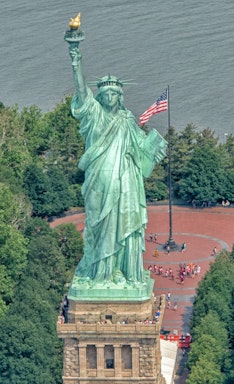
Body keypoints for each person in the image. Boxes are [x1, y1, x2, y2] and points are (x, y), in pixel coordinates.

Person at [68, 43, 166, 289]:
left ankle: (122, 270)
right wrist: (76, 63)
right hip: (99, 179)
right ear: (100, 97)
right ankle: (101, 271)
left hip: (125, 181)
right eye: (106, 94)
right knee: (99, 224)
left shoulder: (127, 119)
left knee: (124, 222)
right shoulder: (94, 115)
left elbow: (141, 147)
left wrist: (155, 148)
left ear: (120, 97)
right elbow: (82, 93)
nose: (110, 97)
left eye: (115, 93)